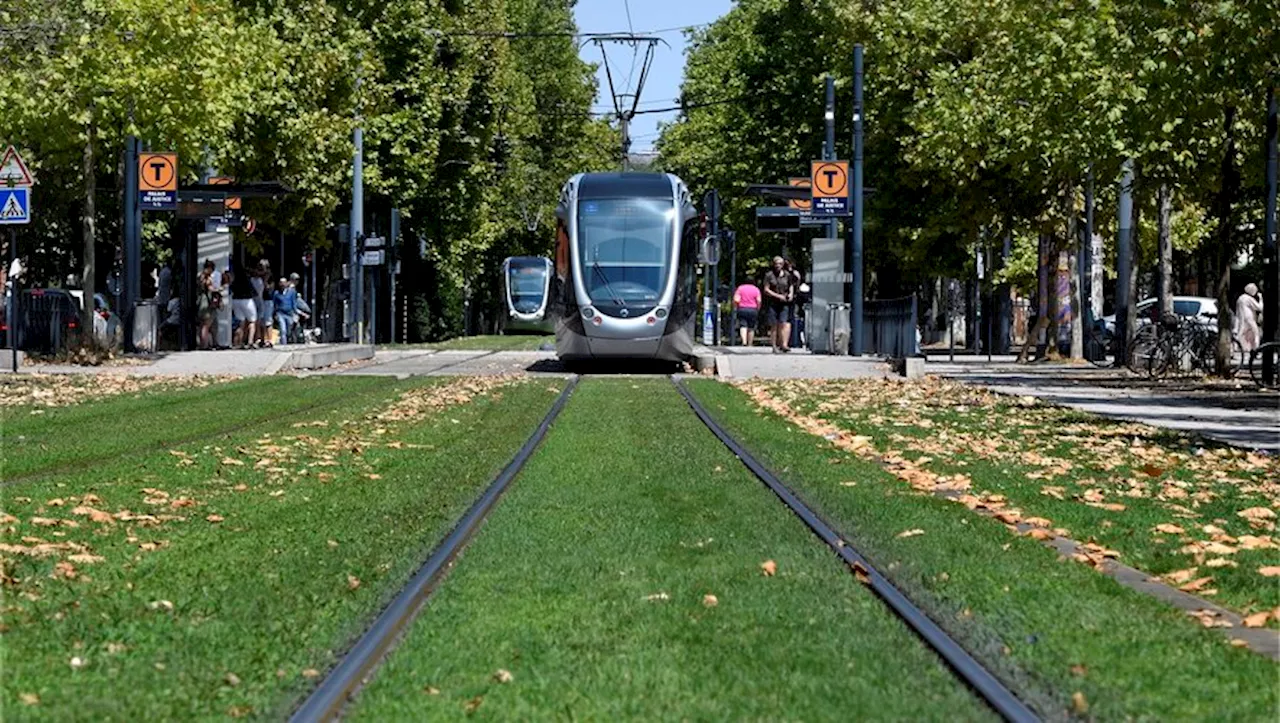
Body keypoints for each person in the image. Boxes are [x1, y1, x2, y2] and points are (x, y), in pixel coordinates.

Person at [762, 256, 795, 353]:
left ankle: (784, 344)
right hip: (772, 303)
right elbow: (766, 289)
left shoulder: (787, 275)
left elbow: (791, 285)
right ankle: (774, 346)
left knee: (783, 323)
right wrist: (777, 296)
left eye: (780, 264)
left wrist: (790, 294)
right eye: (776, 263)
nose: (778, 266)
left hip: (784, 302)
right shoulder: (769, 275)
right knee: (774, 325)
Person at [228, 259, 257, 349]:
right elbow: (253, 291)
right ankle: (250, 341)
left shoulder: (233, 277)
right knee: (252, 321)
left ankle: (239, 342)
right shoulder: (245, 277)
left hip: (236, 300)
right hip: (247, 300)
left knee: (240, 322)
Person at [1235, 282, 1263, 352]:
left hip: (1242, 318)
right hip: (1249, 318)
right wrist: (1261, 299)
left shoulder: (1240, 298)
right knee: (1256, 333)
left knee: (1241, 333)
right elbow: (1259, 307)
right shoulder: (1249, 298)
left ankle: (1236, 347)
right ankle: (1256, 349)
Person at [197, 260, 219, 350]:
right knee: (205, 324)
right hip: (206, 303)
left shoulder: (202, 276)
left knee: (211, 324)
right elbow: (209, 288)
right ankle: (204, 344)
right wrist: (219, 289)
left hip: (206, 302)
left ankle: (212, 343)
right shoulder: (204, 277)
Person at [733, 278, 762, 346]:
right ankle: (750, 343)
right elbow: (759, 300)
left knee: (743, 325)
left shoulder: (740, 288)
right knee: (751, 327)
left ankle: (744, 341)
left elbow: (736, 299)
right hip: (753, 309)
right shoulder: (756, 289)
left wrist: (735, 307)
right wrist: (758, 308)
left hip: (742, 308)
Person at [253, 259, 273, 347]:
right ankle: (260, 339)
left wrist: (265, 280)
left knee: (267, 321)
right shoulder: (257, 277)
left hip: (267, 300)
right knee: (259, 321)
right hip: (259, 300)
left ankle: (269, 340)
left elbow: (268, 288)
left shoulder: (269, 276)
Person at [274, 277, 298, 344]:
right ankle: (284, 344)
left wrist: (295, 313)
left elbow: (294, 303)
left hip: (289, 313)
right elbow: (275, 304)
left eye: (284, 282)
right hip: (280, 313)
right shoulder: (276, 293)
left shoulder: (292, 292)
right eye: (281, 282)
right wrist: (275, 313)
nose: (282, 284)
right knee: (283, 330)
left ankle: (289, 341)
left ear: (287, 283)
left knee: (288, 330)